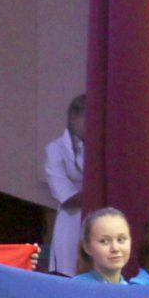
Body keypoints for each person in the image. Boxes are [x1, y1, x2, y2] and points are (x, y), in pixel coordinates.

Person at [43, 95, 85, 275]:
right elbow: (66, 197)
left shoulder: (102, 147)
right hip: (71, 223)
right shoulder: (55, 149)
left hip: (98, 225)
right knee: (69, 273)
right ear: (73, 118)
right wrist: (101, 193)